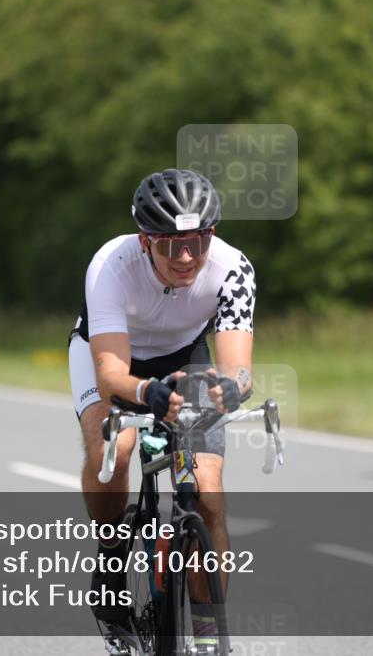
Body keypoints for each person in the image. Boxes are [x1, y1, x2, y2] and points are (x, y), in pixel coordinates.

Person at [68, 168, 256, 649]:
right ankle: (111, 565)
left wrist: (230, 390)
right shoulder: (111, 264)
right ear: (145, 239)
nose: (187, 257)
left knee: (208, 492)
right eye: (172, 245)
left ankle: (211, 634)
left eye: (199, 240)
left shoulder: (234, 269)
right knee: (118, 446)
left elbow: (239, 369)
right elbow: (111, 376)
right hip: (112, 356)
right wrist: (145, 392)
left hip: (184, 359)